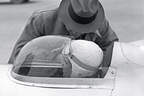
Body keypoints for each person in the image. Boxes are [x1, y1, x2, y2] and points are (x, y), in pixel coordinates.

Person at [8, 0, 119, 70]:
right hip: (43, 78)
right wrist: (53, 57)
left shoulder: (100, 22)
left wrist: (99, 71)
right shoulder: (41, 20)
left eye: (85, 28)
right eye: (75, 26)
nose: (79, 32)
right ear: (65, 16)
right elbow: (18, 57)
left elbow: (113, 47)